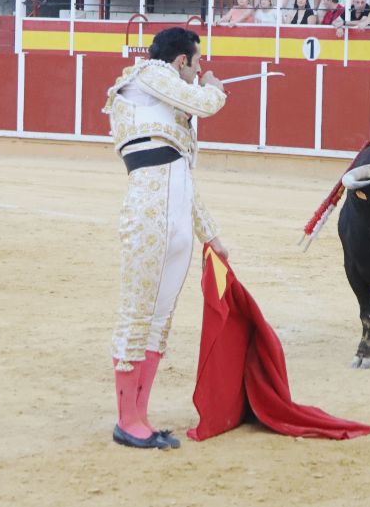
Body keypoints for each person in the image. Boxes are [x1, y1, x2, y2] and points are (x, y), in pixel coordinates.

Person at [102, 27, 227, 450]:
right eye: (198, 64)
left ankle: (140, 416)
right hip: (149, 217)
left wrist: (211, 235)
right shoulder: (147, 75)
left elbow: (183, 184)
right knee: (138, 313)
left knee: (159, 320)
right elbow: (205, 103)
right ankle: (125, 419)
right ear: (180, 62)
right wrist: (215, 89)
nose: (200, 71)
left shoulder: (168, 112)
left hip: (173, 217)